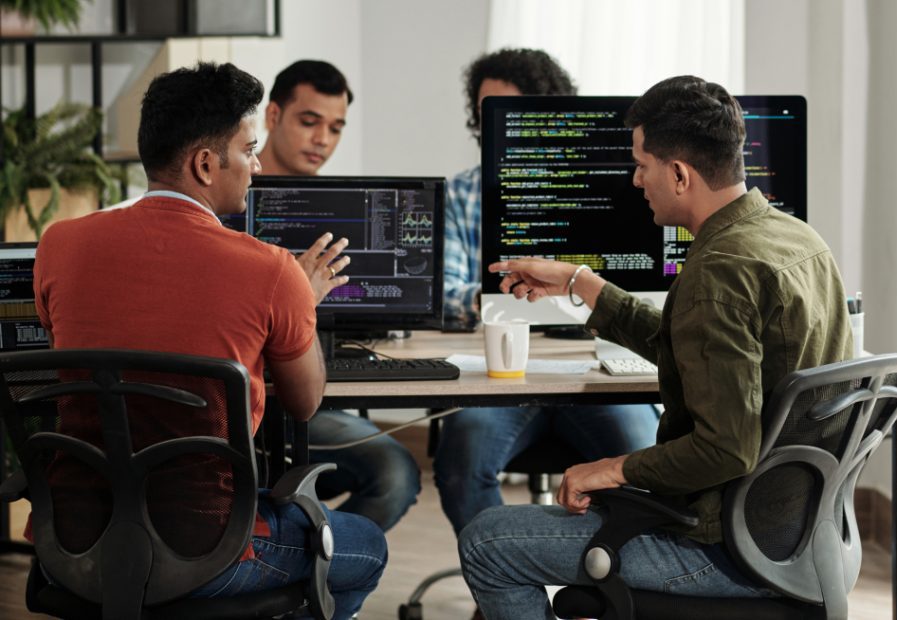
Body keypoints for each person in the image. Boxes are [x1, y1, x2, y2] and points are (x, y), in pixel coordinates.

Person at [457, 75, 852, 619]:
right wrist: (583, 284)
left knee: (487, 543)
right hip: (802, 536)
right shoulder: (796, 238)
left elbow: (725, 449)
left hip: (726, 550)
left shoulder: (718, 271)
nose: (636, 179)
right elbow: (692, 347)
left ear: (681, 174)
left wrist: (610, 469)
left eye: (642, 164)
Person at [33, 61, 386, 618]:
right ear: (204, 164)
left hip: (74, 543)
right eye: (249, 150)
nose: (257, 164)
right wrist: (302, 302)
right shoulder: (271, 269)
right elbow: (306, 400)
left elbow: (82, 356)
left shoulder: (59, 243)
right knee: (365, 546)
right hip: (209, 550)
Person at [436, 48, 660, 538]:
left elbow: (639, 295)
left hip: (597, 370)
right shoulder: (462, 194)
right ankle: (506, 585)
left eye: (511, 114)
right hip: (503, 376)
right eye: (485, 113)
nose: (495, 125)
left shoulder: (616, 190)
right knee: (460, 463)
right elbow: (447, 295)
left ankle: (600, 583)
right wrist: (510, 297)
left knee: (648, 459)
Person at [258, 59, 421, 532]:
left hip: (316, 396)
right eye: (309, 122)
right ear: (273, 116)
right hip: (240, 401)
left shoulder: (341, 211)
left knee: (396, 474)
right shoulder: (230, 201)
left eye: (335, 128)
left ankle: (317, 569)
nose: (322, 140)